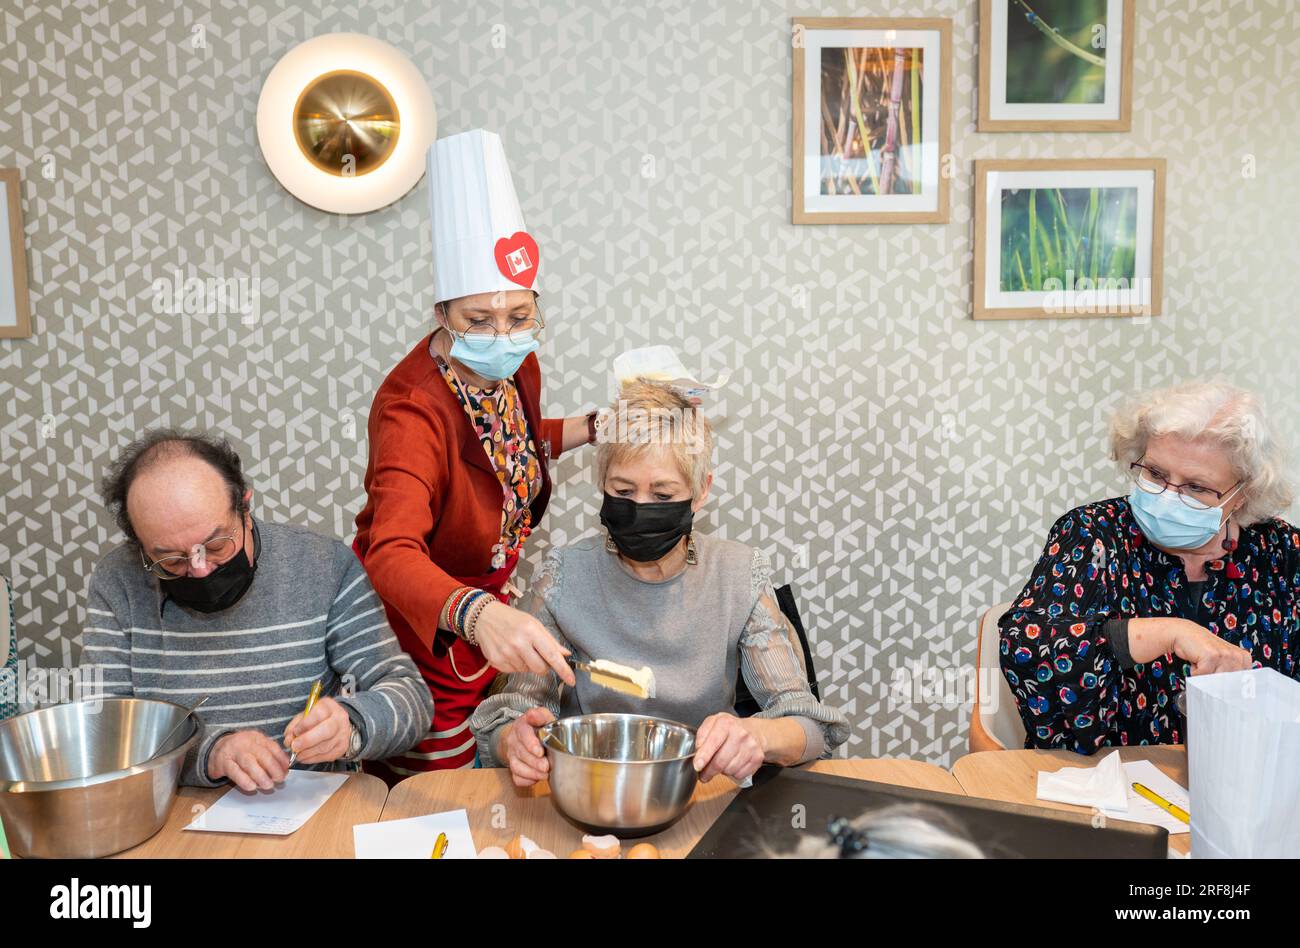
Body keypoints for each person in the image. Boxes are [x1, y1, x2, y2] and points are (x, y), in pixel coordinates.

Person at [353, 129, 596, 775]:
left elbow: (511, 446)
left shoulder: (516, 362)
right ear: (441, 313)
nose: (503, 336)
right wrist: (475, 613)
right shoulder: (411, 409)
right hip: (420, 614)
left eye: (519, 316)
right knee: (434, 772)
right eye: (478, 321)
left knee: (493, 753)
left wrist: (597, 426)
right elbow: (391, 552)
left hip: (486, 595)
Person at [471, 380, 850, 785]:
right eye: (623, 490)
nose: (640, 510)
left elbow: (810, 728)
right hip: (591, 788)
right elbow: (508, 715)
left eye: (663, 495)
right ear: (602, 485)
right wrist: (515, 740)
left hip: (695, 791)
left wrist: (758, 734)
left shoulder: (738, 575)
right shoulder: (565, 574)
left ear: (700, 491)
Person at [82, 430, 433, 790]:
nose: (200, 568)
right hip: (172, 820)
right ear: (140, 547)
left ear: (245, 507)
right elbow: (102, 734)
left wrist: (352, 725)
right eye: (171, 559)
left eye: (216, 544)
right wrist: (210, 752)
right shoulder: (118, 582)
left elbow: (412, 701)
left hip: (310, 814)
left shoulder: (324, 566)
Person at [1000, 379, 1299, 753]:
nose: (1167, 496)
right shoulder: (1093, 534)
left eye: (1196, 487)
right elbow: (1027, 646)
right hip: (1105, 782)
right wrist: (1168, 632)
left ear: (1243, 495)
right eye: (1156, 474)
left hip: (1250, 782)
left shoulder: (1285, 553)